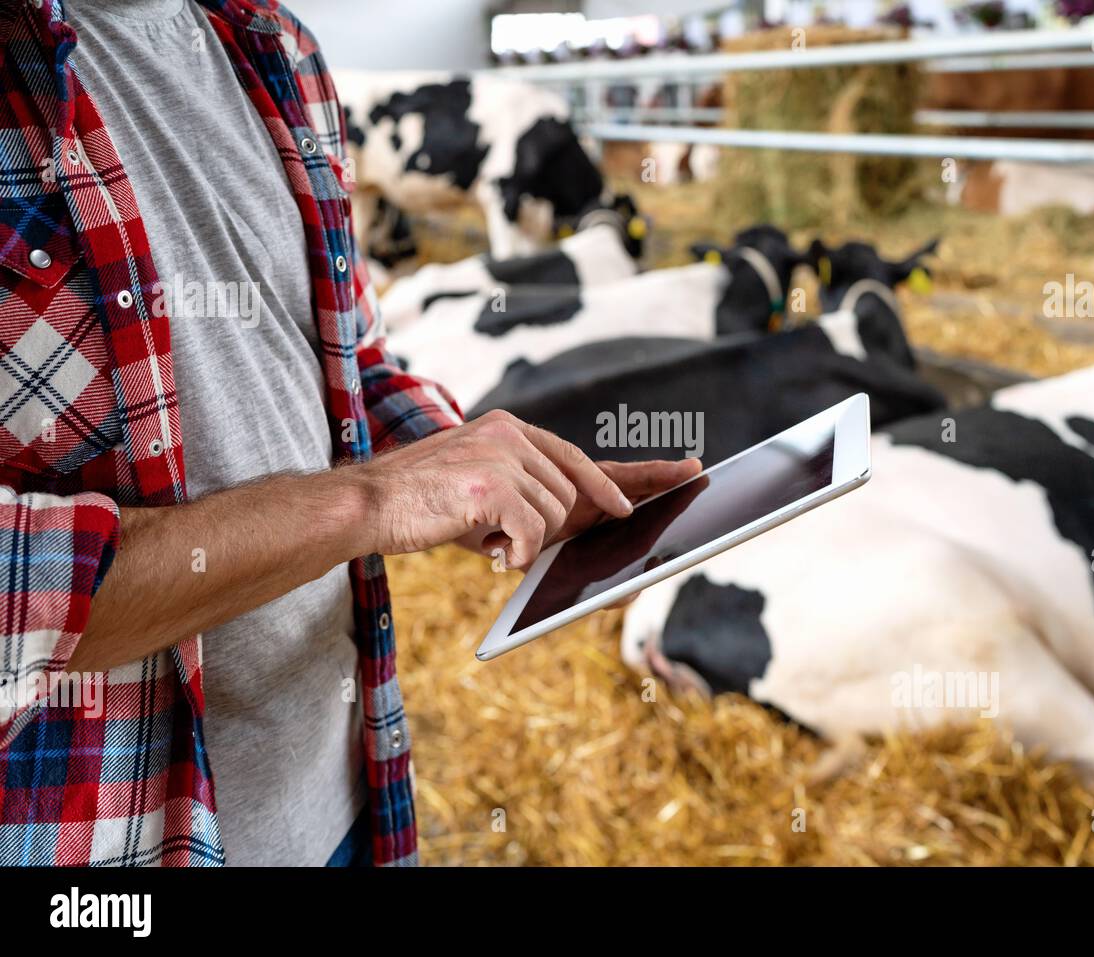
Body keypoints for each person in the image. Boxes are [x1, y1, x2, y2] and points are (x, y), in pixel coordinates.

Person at [0, 0, 697, 867]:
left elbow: (346, 364)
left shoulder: (274, 47)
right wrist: (371, 501)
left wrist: (506, 476)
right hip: (93, 840)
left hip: (341, 781)